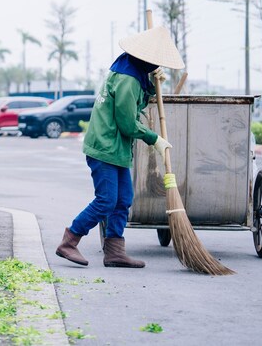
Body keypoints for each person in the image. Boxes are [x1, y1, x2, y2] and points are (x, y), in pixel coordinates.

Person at [55, 25, 184, 268]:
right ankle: (69, 241)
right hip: (106, 146)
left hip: (115, 148)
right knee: (106, 200)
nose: (159, 65)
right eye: (157, 62)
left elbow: (134, 103)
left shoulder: (129, 68)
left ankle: (114, 251)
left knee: (123, 198)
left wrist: (152, 81)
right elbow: (127, 122)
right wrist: (153, 138)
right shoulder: (129, 79)